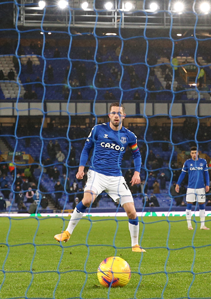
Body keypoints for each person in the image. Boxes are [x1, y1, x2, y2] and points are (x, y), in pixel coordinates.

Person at [54, 102, 145, 252]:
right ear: (109, 115)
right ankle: (67, 233)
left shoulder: (129, 136)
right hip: (97, 174)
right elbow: (86, 149)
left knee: (132, 212)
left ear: (124, 116)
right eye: (114, 113)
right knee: (88, 199)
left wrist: (137, 172)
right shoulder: (98, 130)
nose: (117, 115)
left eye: (119, 113)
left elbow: (136, 154)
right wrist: (81, 168)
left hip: (116, 177)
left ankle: (135, 245)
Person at [175, 146, 210, 231]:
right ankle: (189, 225)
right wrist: (177, 184)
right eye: (192, 153)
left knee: (202, 205)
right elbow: (182, 174)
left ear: (198, 153)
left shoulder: (203, 162)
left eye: (195, 152)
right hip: (191, 187)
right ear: (190, 154)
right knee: (189, 205)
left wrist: (207, 184)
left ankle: (202, 225)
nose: (194, 154)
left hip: (201, 187)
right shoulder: (187, 162)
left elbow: (206, 174)